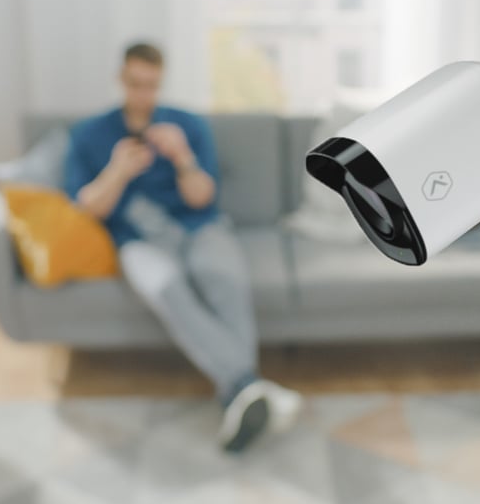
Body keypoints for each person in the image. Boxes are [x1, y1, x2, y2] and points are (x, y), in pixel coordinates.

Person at [64, 42, 303, 452]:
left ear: (161, 82)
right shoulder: (90, 135)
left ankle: (240, 394)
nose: (143, 95)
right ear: (121, 80)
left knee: (223, 280)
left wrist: (182, 158)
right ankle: (247, 387)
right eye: (135, 84)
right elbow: (87, 208)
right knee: (170, 292)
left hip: (199, 229)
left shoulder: (186, 126)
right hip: (138, 243)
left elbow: (201, 198)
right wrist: (117, 172)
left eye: (152, 85)